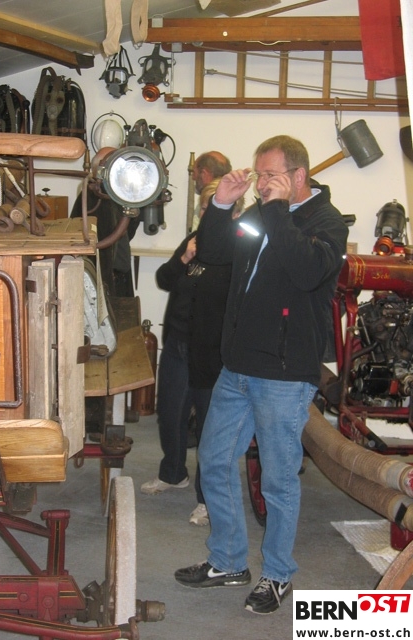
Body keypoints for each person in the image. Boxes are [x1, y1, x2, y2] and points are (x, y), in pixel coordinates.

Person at [174, 135, 348, 614]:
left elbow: (306, 270)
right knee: (213, 461)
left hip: (285, 374)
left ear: (298, 176)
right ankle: (228, 560)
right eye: (259, 174)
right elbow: (214, 252)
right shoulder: (255, 213)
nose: (262, 183)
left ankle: (277, 575)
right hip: (239, 366)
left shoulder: (327, 222)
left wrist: (275, 209)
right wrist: (220, 205)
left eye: (271, 174)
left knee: (278, 479)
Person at [140, 151, 234, 527]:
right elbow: (164, 279)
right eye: (203, 208)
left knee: (210, 426)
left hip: (211, 352)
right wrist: (183, 259)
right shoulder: (193, 241)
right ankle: (172, 473)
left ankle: (207, 498)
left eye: (210, 208)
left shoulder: (235, 248)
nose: (204, 214)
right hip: (178, 343)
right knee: (170, 414)